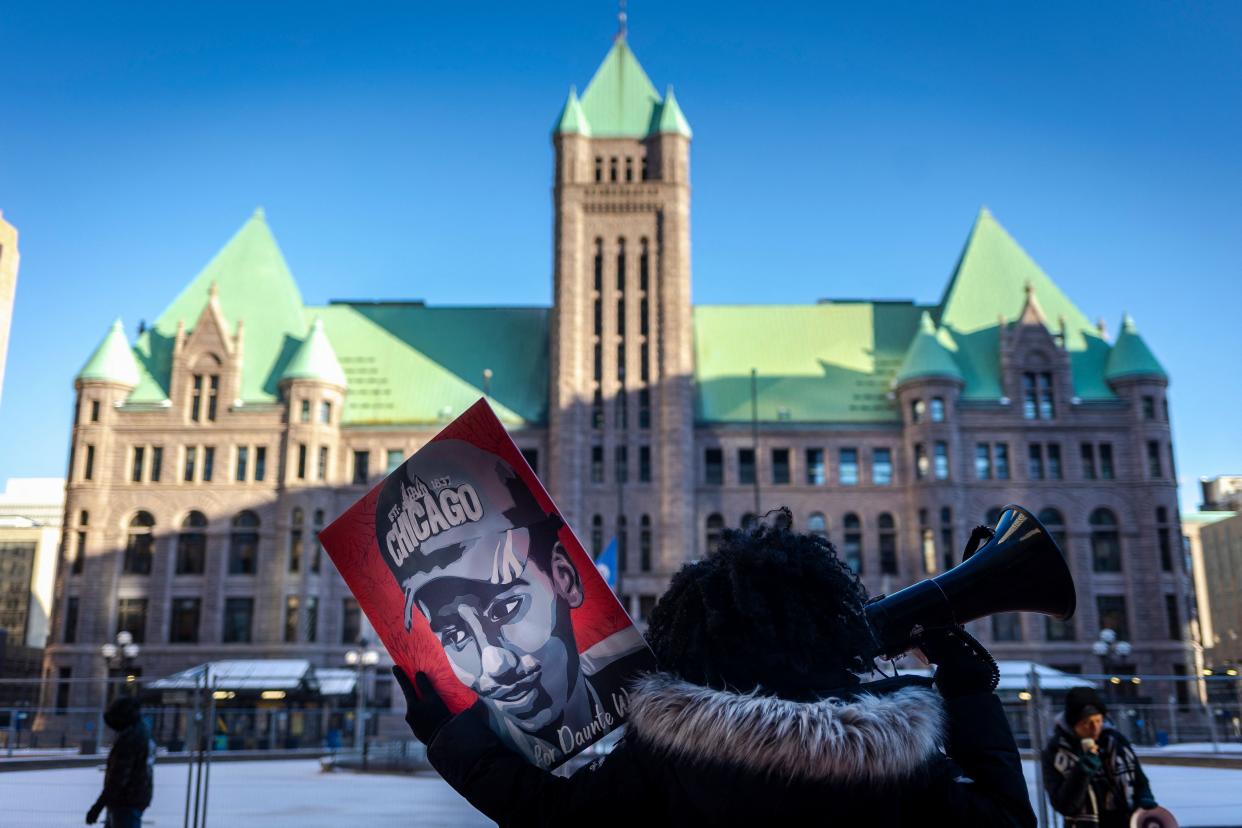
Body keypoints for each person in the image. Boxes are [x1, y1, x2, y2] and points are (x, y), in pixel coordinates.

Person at [394, 519, 1036, 826]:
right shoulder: (899, 758)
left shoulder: (668, 752)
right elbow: (1009, 819)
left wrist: (453, 734)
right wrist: (968, 687)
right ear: (830, 629)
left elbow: (553, 817)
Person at [375, 439, 651, 771]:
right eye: (454, 634)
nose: (494, 665)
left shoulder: (647, 686)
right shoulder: (466, 732)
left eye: (504, 609)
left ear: (564, 578)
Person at [1043, 686, 1157, 828]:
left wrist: (1145, 798)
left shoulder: (1116, 742)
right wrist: (1082, 772)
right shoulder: (1056, 752)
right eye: (1086, 723)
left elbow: (1139, 780)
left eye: (1098, 720)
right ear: (1072, 725)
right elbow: (1064, 806)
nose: (1095, 728)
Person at [85, 696, 154, 827]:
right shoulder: (141, 731)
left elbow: (118, 779)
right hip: (132, 799)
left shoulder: (130, 739)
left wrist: (97, 807)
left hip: (125, 801)